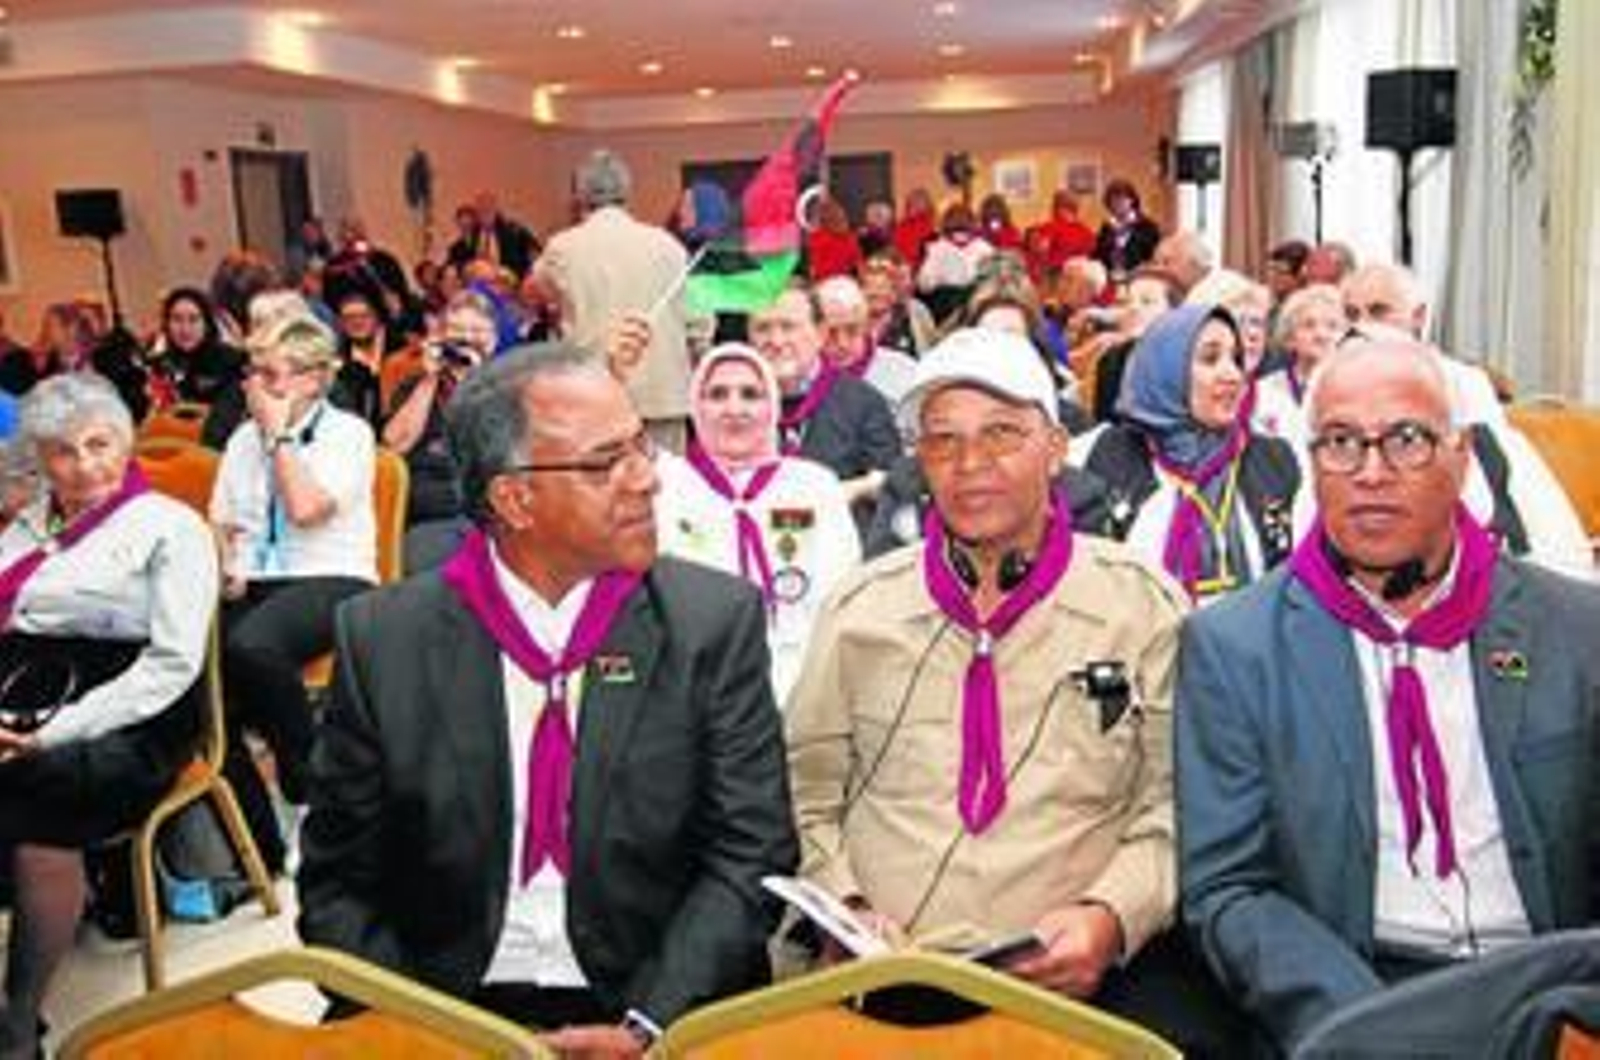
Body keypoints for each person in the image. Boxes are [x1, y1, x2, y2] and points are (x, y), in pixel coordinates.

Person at [298, 342, 797, 1053]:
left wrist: (647, 1026)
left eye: (641, 448)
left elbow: (751, 856)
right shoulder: (385, 640)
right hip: (443, 1002)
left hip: (656, 1001)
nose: (647, 480)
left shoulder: (710, 624)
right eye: (606, 463)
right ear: (514, 498)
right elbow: (335, 886)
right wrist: (432, 1032)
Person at [787, 326, 1239, 1050]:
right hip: (879, 974)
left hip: (1082, 976)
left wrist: (1110, 915)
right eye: (943, 441)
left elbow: (1179, 803)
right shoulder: (858, 611)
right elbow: (806, 794)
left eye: (1001, 434)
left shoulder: (1140, 603)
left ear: (1057, 449)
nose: (971, 465)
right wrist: (843, 905)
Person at [1176, 339, 1600, 1054]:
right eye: (1340, 442)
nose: (1370, 473)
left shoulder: (1576, 630)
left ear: (1461, 458)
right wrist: (1378, 1034)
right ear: (1312, 464)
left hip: (1552, 990)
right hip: (1355, 998)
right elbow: (1228, 889)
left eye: (1406, 440)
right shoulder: (1236, 647)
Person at [0, 373, 218, 1058]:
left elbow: (172, 665)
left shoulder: (169, 528)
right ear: (42, 458)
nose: (85, 464)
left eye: (99, 444)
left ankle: (17, 1019)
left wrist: (46, 736)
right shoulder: (31, 520)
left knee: (35, 800)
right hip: (24, 683)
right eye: (64, 451)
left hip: (131, 709)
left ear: (124, 444)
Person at [210, 309, 377, 873]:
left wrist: (279, 435)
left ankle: (308, 793)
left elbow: (306, 511)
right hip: (254, 579)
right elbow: (222, 521)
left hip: (332, 574)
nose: (255, 388)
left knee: (251, 648)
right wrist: (226, 563)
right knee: (189, 668)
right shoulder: (239, 440)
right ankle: (254, 835)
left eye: (271, 375)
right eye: (252, 373)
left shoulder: (348, 434)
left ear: (311, 379)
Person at [1342, 262, 1592, 575]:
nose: (1364, 326)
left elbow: (1499, 482)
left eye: (1378, 312)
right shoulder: (1335, 384)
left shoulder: (1463, 381)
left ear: (1418, 317)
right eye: (1352, 315)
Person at [656, 343, 859, 702]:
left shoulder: (813, 484)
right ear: (695, 406)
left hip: (803, 682)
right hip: (693, 683)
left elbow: (842, 589)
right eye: (717, 394)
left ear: (773, 406)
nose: (735, 409)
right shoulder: (666, 484)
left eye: (751, 394)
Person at [1077, 305, 1306, 603]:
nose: (1233, 375)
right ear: (1165, 368)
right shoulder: (1100, 456)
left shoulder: (1275, 460)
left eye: (1236, 359)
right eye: (1210, 359)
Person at [535, 150, 692, 453]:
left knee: (604, 491)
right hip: (664, 396)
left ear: (579, 195)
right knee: (668, 490)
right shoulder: (668, 244)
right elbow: (697, 323)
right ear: (627, 191)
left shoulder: (563, 247)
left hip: (596, 394)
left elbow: (535, 292)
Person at [748, 285, 901, 529]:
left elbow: (894, 489)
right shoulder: (732, 404)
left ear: (820, 333)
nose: (776, 341)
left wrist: (854, 490)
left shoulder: (864, 403)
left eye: (789, 327)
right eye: (762, 329)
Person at [384, 290, 498, 572]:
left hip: (491, 515)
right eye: (457, 330)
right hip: (430, 520)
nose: (467, 339)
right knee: (428, 560)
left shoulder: (509, 386)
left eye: (476, 330)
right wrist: (430, 379)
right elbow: (395, 445)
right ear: (440, 336)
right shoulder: (415, 387)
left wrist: (478, 382)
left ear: (493, 340)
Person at [1250, 282, 1344, 449]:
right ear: (1289, 338)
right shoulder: (1261, 392)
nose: (1321, 335)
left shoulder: (1354, 391)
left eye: (1332, 326)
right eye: (1309, 325)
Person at [815, 275, 918, 407]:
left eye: (852, 330)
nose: (842, 343)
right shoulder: (799, 377)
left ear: (867, 326)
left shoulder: (904, 371)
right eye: (831, 333)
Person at [145, 286, 247, 409]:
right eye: (177, 319)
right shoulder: (158, 365)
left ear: (207, 324)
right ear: (166, 324)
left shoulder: (232, 361)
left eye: (194, 319)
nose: (185, 329)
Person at [1093, 178, 1161, 279]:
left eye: (1122, 199)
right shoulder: (1107, 228)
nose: (1117, 204)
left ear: (1132, 200)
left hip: (1140, 280)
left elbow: (1155, 257)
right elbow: (1098, 256)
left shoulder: (1147, 227)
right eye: (1113, 200)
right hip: (1111, 279)